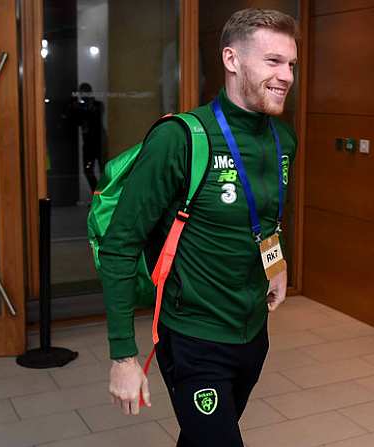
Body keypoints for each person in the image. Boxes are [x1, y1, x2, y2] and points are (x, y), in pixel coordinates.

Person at [100, 8, 298, 447]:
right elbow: (120, 245)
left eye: (291, 64)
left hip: (252, 334)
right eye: (272, 61)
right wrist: (122, 355)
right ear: (232, 60)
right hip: (193, 338)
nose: (286, 75)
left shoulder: (283, 140)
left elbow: (264, 216)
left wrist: (276, 262)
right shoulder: (180, 139)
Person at [68, 82, 104, 193]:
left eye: (84, 93)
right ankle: (97, 195)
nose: (82, 95)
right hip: (88, 143)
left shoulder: (97, 105)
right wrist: (77, 108)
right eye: (81, 93)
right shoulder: (80, 107)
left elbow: (95, 116)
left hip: (98, 142)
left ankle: (104, 195)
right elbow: (76, 120)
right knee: (88, 170)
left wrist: (85, 107)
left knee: (103, 170)